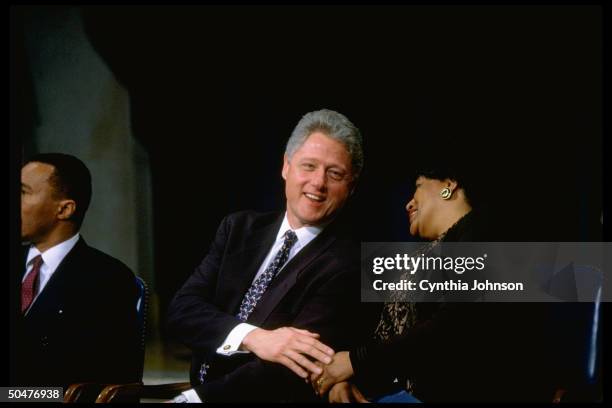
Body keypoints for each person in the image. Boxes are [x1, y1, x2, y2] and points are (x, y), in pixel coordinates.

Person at [166, 109, 374, 402]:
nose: (318, 183)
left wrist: (193, 401)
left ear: (350, 187)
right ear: (286, 167)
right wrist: (254, 338)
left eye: (335, 174)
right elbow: (182, 311)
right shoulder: (237, 228)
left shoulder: (351, 263)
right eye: (309, 166)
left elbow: (290, 368)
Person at [310, 165, 559, 403]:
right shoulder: (431, 254)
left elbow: (456, 326)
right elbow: (386, 335)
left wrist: (356, 363)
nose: (408, 203)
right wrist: (348, 378)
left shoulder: (486, 231)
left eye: (418, 186)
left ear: (448, 186)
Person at [13, 153, 141, 391]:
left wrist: (10, 396)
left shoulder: (108, 279)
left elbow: (98, 383)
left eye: (23, 192)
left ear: (64, 209)